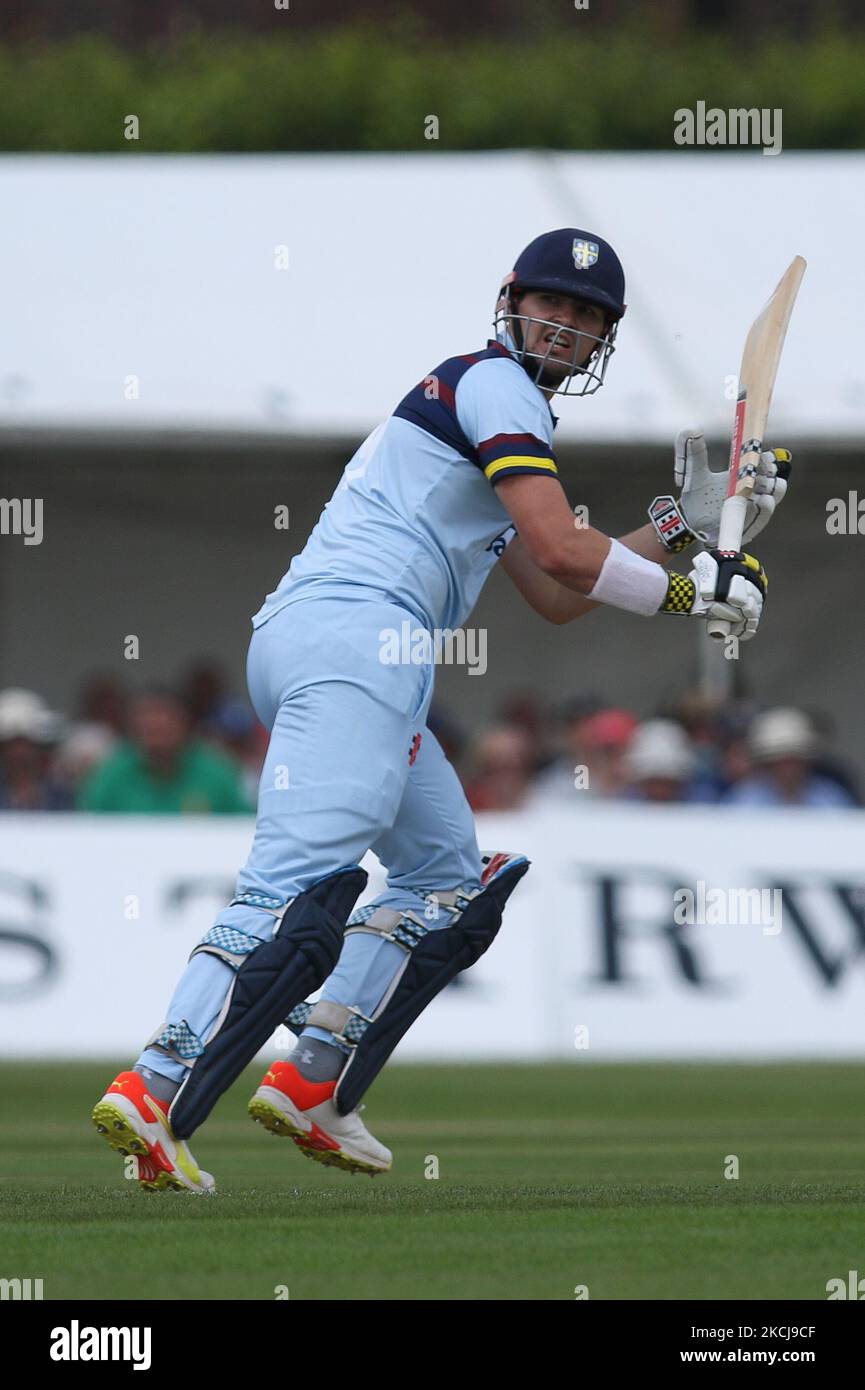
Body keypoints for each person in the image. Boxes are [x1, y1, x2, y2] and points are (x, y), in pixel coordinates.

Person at [92, 228, 787, 1193]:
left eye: (588, 318)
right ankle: (156, 1080)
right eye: (554, 304)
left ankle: (310, 1077)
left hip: (341, 646)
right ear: (511, 301)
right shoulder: (495, 385)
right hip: (356, 644)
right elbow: (560, 551)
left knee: (443, 876)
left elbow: (552, 589)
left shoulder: (494, 414)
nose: (567, 325)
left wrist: (680, 528)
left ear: (601, 343)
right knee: (290, 890)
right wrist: (698, 587)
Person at [79, 687, 250, 814]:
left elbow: (244, 825)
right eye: (149, 729)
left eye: (164, 728)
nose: (157, 737)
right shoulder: (110, 775)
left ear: (185, 725)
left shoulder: (218, 773)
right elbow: (87, 828)